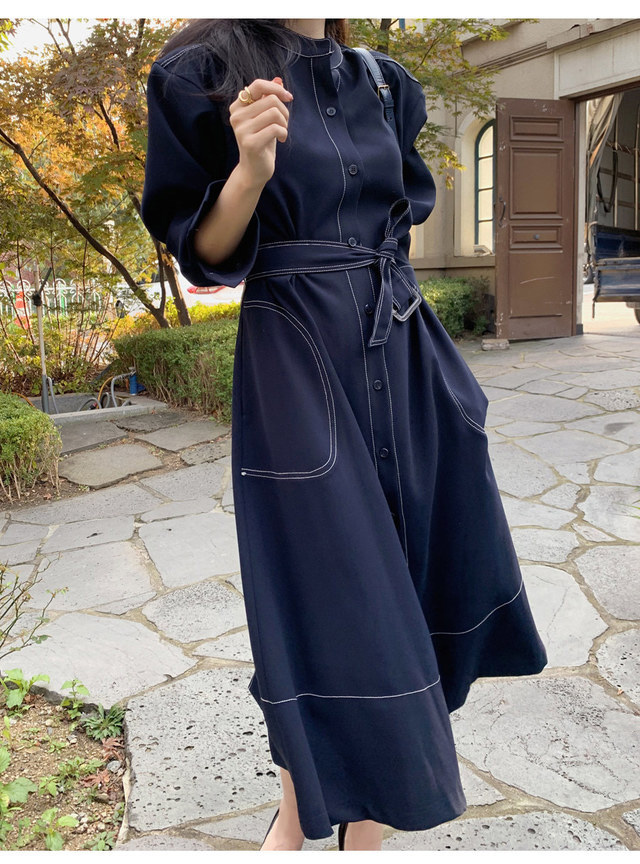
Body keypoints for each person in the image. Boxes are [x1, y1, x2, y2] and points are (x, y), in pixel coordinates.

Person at [141, 18, 548, 852]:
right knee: (325, 598)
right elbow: (204, 254)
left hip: (403, 349)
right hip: (297, 359)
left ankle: (341, 829)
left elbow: (395, 223)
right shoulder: (200, 70)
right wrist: (250, 171)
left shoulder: (386, 81)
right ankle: (309, 823)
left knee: (416, 587)